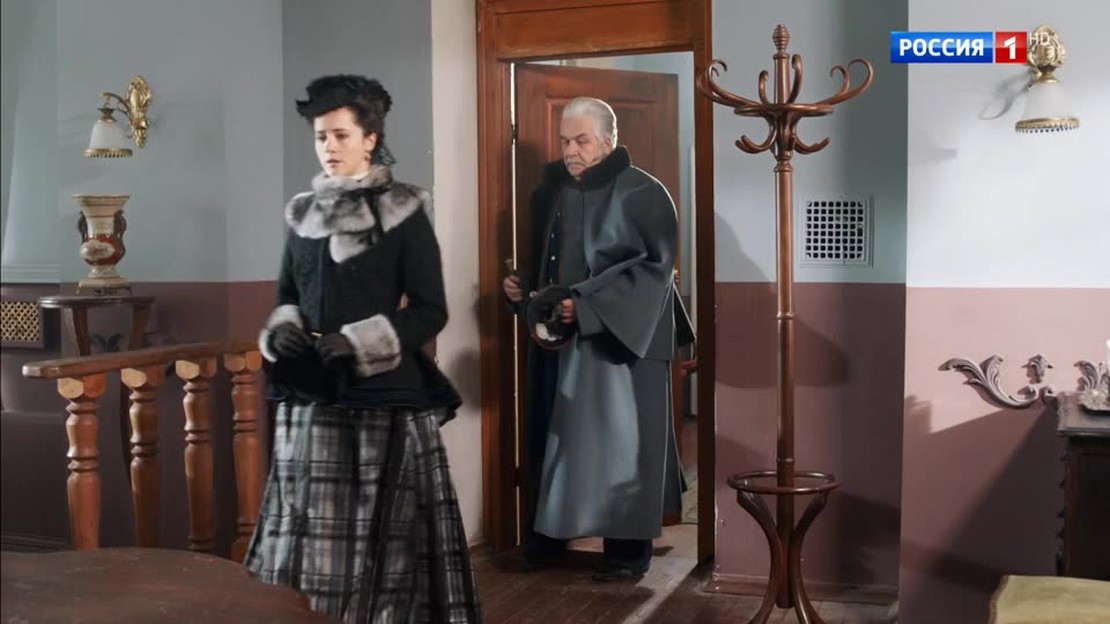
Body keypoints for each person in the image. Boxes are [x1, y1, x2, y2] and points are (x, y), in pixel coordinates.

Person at [245, 74, 482, 623]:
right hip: (310, 398)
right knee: (306, 531)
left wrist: (358, 343)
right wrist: (281, 330)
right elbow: (287, 296)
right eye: (320, 137)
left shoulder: (402, 211)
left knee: (387, 539)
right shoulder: (302, 214)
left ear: (370, 139)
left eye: (341, 135)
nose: (328, 147)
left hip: (381, 400)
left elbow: (430, 310)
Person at [503, 96, 688, 582]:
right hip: (562, 344)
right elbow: (553, 267)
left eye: (582, 140)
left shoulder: (644, 192)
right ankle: (549, 538)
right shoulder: (553, 193)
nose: (571, 151)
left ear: (609, 140)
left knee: (623, 445)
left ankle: (626, 554)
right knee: (557, 441)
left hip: (622, 343)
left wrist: (584, 307)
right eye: (565, 141)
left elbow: (653, 271)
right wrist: (524, 291)